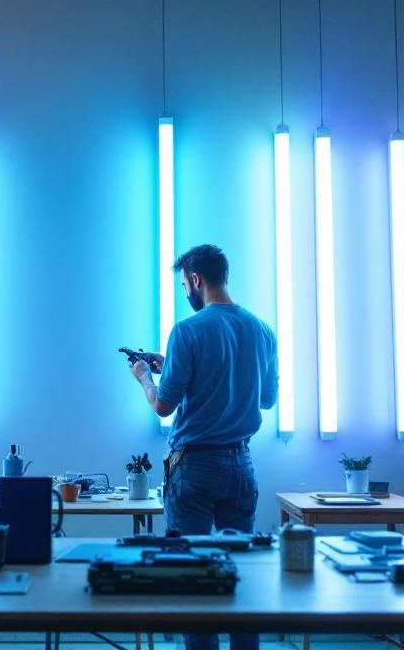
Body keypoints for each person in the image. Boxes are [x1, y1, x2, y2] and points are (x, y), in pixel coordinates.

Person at [127, 244, 277, 650]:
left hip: (193, 468)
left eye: (184, 285)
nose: (185, 293)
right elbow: (266, 400)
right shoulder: (262, 331)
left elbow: (162, 405)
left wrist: (144, 375)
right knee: (238, 574)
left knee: (192, 577)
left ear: (196, 280)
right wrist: (172, 365)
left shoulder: (187, 331)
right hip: (241, 465)